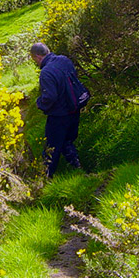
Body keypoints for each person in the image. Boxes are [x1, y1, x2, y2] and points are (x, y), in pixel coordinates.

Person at [30, 42, 83, 177]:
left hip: (59, 115)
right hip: (74, 109)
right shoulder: (64, 60)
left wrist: (39, 103)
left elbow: (50, 97)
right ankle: (76, 168)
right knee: (67, 140)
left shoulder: (46, 72)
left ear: (37, 57)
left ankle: (45, 177)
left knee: (52, 148)